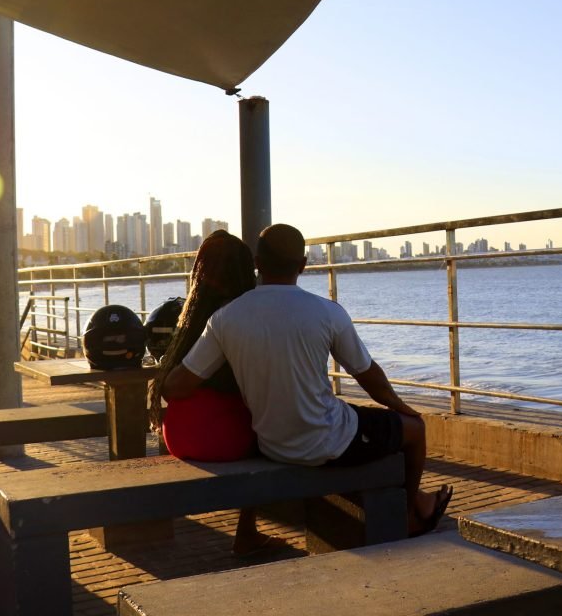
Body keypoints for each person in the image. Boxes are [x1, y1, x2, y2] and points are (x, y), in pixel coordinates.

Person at [163, 223, 452, 538]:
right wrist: (402, 407)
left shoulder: (223, 319)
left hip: (272, 445)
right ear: (303, 265)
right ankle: (409, 514)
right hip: (326, 442)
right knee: (413, 430)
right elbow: (369, 377)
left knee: (361, 423)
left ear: (257, 263)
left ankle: (414, 504)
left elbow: (177, 386)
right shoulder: (327, 312)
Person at [148, 231, 281, 555]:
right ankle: (246, 532)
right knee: (269, 431)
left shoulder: (191, 315)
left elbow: (171, 388)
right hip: (221, 438)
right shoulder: (238, 316)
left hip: (177, 435)